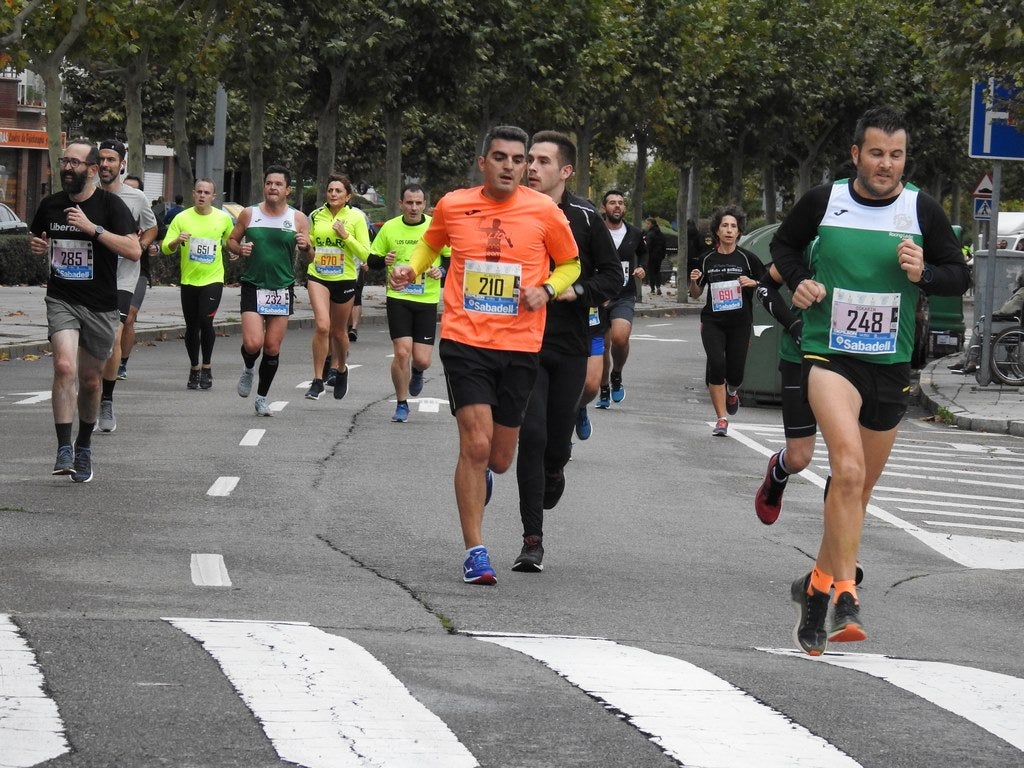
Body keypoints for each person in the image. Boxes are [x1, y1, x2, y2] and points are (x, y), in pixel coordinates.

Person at [772, 106, 970, 656]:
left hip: (890, 363)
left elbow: (960, 275)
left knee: (855, 494)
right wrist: (802, 282)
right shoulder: (824, 200)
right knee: (848, 467)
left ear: (905, 159)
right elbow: (784, 249)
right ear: (856, 154)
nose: (886, 164)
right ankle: (846, 595)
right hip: (828, 355)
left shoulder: (920, 209)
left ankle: (814, 589)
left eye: (896, 155)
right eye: (876, 153)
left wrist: (923, 273)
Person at [388, 125, 580, 585]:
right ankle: (475, 550)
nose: (511, 166)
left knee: (499, 459)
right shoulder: (454, 204)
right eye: (501, 157)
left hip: (519, 346)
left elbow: (570, 262)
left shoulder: (544, 210)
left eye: (519, 159)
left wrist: (548, 289)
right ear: (483, 162)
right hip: (465, 340)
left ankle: (484, 477)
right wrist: (409, 267)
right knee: (474, 446)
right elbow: (431, 242)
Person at [513, 131, 622, 572]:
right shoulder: (512, 209)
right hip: (523, 342)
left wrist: (574, 291)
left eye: (542, 161)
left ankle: (557, 466)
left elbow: (612, 277)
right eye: (529, 160)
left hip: (570, 343)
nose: (532, 168)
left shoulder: (584, 216)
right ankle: (532, 540)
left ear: (566, 170)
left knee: (555, 441)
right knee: (532, 435)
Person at [29, 138, 141, 482]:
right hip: (61, 298)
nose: (66, 167)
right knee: (64, 366)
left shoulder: (111, 206)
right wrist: (37, 246)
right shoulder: (51, 204)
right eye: (64, 161)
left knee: (91, 381)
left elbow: (134, 250)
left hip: (100, 306)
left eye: (74, 163)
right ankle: (63, 447)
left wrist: (93, 230)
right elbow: (38, 239)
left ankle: (84, 446)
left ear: (92, 170)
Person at [227, 165, 311, 416]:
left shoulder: (298, 218)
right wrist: (239, 249)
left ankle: (262, 397)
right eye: (269, 183)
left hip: (281, 288)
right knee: (253, 343)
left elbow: (310, 256)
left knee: (272, 347)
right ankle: (249, 367)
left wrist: (306, 246)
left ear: (288, 190)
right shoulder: (249, 214)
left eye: (278, 184)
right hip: (254, 284)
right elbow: (230, 240)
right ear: (264, 186)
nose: (272, 187)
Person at [367, 183, 449, 422]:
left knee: (422, 359)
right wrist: (384, 259)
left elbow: (450, 260)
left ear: (425, 204)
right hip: (398, 297)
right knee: (402, 353)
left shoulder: (435, 227)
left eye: (418, 203)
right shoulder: (390, 228)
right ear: (400, 204)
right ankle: (401, 404)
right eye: (409, 203)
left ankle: (418, 371)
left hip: (426, 299)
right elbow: (371, 261)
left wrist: (441, 271)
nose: (414, 207)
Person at [95, 139, 159, 433]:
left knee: (114, 335)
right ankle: (89, 391)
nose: (106, 164)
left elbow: (151, 226)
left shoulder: (136, 198)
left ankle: (106, 399)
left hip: (123, 277)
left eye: (111, 159)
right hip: (91, 277)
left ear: (122, 164)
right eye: (102, 159)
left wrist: (141, 246)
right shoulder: (87, 193)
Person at [688, 205, 765, 436]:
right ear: (717, 231)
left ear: (739, 231)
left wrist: (753, 283)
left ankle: (733, 391)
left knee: (736, 373)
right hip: (713, 321)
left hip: (740, 322)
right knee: (716, 365)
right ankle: (721, 419)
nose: (729, 230)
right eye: (725, 226)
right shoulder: (706, 259)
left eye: (733, 226)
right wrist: (694, 281)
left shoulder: (747, 259)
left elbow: (767, 283)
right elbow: (695, 294)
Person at [303, 174, 371, 400]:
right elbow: (311, 245)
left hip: (344, 278)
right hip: (318, 275)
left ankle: (341, 369)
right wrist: (305, 245)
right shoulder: (316, 216)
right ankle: (317, 380)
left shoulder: (356, 218)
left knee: (338, 332)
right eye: (330, 190)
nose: (333, 194)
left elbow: (364, 254)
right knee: (322, 326)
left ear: (348, 196)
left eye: (338, 191)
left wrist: (346, 236)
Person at [162, 178, 234, 389]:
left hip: (213, 279)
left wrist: (235, 251)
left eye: (207, 192)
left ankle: (207, 367)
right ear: (193, 193)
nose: (202, 195)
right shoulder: (181, 218)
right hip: (189, 280)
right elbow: (166, 247)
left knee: (205, 320)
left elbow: (231, 240)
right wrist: (177, 241)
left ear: (214, 196)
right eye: (199, 191)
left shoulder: (223, 219)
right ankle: (194, 367)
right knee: (192, 326)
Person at [595, 190, 647, 407]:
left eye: (620, 203)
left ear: (624, 208)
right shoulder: (596, 230)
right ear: (604, 208)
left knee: (620, 338)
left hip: (624, 295)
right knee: (603, 346)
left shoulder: (634, 233)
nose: (617, 206)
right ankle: (604, 386)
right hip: (598, 297)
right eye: (612, 203)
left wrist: (642, 267)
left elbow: (644, 252)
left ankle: (617, 373)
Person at [116, 174, 156, 380]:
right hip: (110, 270)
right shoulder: (111, 206)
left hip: (138, 269)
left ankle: (122, 362)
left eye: (134, 189)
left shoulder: (141, 209)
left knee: (129, 317)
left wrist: (146, 246)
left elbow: (156, 232)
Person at [948, 270, 1024, 373]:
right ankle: (969, 360)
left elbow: (1007, 310)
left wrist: (995, 313)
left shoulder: (1021, 293)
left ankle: (970, 361)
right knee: (980, 327)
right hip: (1012, 324)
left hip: (1011, 325)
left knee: (981, 327)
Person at [644, 217, 667, 296]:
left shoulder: (650, 234)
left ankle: (652, 289)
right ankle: (658, 287)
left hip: (651, 256)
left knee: (651, 272)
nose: (646, 225)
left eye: (648, 223)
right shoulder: (661, 234)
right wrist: (662, 255)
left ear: (652, 224)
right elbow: (664, 245)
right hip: (659, 256)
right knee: (657, 271)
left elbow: (648, 246)